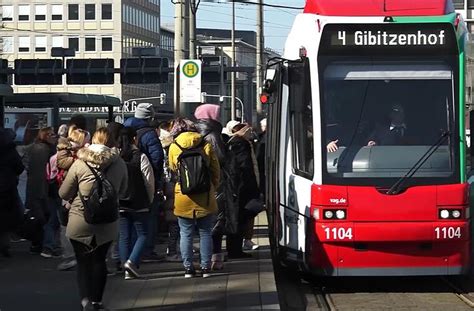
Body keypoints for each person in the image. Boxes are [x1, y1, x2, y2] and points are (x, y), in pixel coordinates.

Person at [59, 128, 128, 310]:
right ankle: (97, 301)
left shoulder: (80, 163)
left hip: (80, 219)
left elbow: (64, 192)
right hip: (107, 220)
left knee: (83, 263)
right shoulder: (119, 163)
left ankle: (85, 300)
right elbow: (124, 190)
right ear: (112, 142)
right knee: (100, 260)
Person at [168, 118, 220, 278]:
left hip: (183, 194)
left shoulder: (174, 147)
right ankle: (205, 268)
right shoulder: (205, 144)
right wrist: (213, 187)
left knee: (186, 232)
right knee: (205, 232)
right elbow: (215, 170)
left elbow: (173, 169)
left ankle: (188, 268)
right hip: (205, 195)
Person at [124, 103, 164, 261]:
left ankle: (126, 255)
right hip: (145, 176)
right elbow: (157, 157)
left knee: (126, 222)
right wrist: (157, 176)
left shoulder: (125, 128)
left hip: (126, 178)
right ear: (149, 117)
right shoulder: (149, 133)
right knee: (148, 216)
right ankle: (146, 250)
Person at [195, 118, 236, 270]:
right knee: (217, 221)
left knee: (202, 222)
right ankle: (214, 258)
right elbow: (220, 159)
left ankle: (204, 257)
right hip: (215, 183)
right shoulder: (213, 135)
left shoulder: (194, 134)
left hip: (197, 184)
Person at [117, 127, 155, 280]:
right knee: (143, 234)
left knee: (124, 236)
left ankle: (124, 266)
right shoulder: (141, 156)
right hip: (139, 202)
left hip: (120, 202)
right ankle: (131, 263)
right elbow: (149, 181)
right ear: (134, 139)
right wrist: (150, 199)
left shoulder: (116, 157)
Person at [56, 128, 91, 270]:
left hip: (75, 191)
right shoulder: (66, 150)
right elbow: (63, 163)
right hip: (70, 191)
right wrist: (81, 154)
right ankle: (71, 255)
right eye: (87, 139)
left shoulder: (72, 151)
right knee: (67, 225)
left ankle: (79, 254)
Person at [226, 123, 261, 258]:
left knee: (238, 218)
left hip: (236, 187)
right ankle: (235, 250)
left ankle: (234, 249)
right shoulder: (241, 144)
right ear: (242, 132)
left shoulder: (233, 143)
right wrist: (252, 187)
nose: (250, 133)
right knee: (240, 218)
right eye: (248, 130)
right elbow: (245, 167)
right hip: (243, 188)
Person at [24, 127, 57, 254]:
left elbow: (26, 166)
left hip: (33, 186)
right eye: (52, 135)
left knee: (38, 216)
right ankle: (47, 245)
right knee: (48, 217)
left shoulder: (32, 148)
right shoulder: (49, 150)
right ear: (47, 136)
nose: (55, 137)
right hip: (46, 187)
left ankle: (36, 244)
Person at [0, 129, 25, 257]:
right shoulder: (10, 151)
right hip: (7, 188)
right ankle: (4, 245)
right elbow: (20, 168)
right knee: (6, 218)